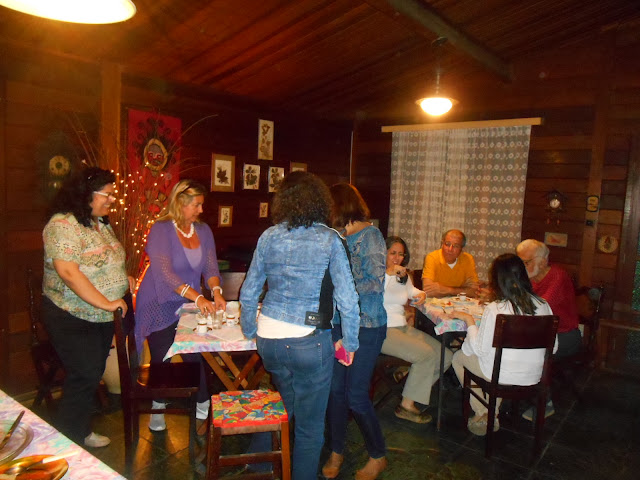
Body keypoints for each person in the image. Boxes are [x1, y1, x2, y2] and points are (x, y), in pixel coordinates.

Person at [239, 172, 360, 480]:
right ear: (321, 202)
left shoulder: (269, 236)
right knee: (309, 428)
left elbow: (249, 292)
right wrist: (351, 343)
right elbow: (348, 299)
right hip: (309, 341)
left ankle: (259, 461)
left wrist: (251, 331)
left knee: (286, 399)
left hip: (269, 340)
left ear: (283, 202)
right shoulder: (330, 239)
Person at [42, 167, 132, 447]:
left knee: (91, 374)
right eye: (107, 194)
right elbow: (68, 272)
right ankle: (65, 444)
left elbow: (107, 259)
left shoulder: (98, 222)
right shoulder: (62, 225)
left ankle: (79, 431)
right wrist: (106, 301)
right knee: (85, 374)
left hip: (101, 316)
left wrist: (123, 278)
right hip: (71, 314)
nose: (112, 200)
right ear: (85, 194)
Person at [135, 179, 226, 432]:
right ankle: (158, 405)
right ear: (180, 203)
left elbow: (211, 267)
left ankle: (202, 403)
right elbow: (165, 274)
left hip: (188, 301)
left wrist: (216, 291)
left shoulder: (203, 231)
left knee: (194, 352)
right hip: (158, 300)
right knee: (162, 354)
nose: (201, 210)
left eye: (201, 205)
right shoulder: (161, 229)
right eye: (196, 205)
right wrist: (198, 297)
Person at [451, 253, 557, 436]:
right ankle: (490, 413)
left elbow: (479, 349)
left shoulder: (496, 309)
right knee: (495, 359)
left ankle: (485, 412)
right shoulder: (544, 305)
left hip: (501, 376)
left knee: (458, 358)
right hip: (534, 376)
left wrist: (469, 321)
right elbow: (553, 348)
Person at [324, 183, 387, 480]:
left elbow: (375, 282)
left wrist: (340, 285)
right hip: (338, 324)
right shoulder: (338, 236)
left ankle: (378, 454)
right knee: (335, 392)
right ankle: (336, 450)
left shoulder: (371, 236)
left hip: (367, 327)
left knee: (356, 396)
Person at [380, 236, 453, 424]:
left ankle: (409, 388)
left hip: (401, 326)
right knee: (426, 355)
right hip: (382, 329)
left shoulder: (403, 276)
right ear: (383, 253)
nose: (397, 258)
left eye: (401, 254)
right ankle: (406, 406)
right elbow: (374, 292)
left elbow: (412, 291)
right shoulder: (375, 273)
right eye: (392, 253)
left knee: (446, 356)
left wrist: (421, 294)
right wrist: (387, 274)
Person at [516, 238, 582, 420]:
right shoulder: (531, 277)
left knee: (533, 351)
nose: (522, 267)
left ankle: (545, 402)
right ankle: (515, 391)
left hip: (565, 335)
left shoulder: (558, 277)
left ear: (543, 261)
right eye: (520, 262)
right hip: (540, 331)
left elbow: (539, 308)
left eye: (526, 262)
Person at [422, 229, 479, 298]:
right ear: (442, 244)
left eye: (456, 246)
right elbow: (428, 292)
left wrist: (448, 290)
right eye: (447, 244)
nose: (450, 249)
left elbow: (474, 291)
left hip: (459, 303)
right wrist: (462, 290)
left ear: (462, 249)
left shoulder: (468, 259)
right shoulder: (432, 257)